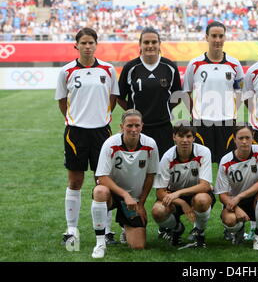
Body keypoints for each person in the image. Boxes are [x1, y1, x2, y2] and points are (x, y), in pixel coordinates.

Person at [55, 27, 119, 249]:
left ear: (96, 44)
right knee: (75, 180)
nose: (87, 46)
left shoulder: (108, 70)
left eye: (91, 42)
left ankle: (108, 229)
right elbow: (62, 101)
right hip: (76, 133)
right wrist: (76, 119)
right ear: (77, 45)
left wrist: (101, 115)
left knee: (102, 181)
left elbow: (113, 97)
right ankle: (71, 229)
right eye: (83, 43)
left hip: (102, 132)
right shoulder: (67, 71)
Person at [90, 109, 159, 258]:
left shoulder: (150, 145)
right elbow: (101, 177)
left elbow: (150, 175)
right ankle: (100, 243)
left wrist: (140, 204)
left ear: (142, 126)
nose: (133, 130)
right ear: (122, 127)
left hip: (133, 201)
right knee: (100, 191)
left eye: (137, 125)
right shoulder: (110, 144)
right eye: (129, 126)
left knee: (138, 246)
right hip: (113, 194)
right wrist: (124, 194)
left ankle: (124, 226)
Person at [183, 21, 244, 163]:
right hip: (202, 123)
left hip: (227, 122)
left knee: (228, 162)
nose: (217, 40)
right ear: (206, 37)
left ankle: (225, 187)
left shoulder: (234, 64)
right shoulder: (195, 64)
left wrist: (235, 114)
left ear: (225, 38)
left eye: (221, 36)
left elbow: (240, 92)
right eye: (214, 36)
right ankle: (204, 186)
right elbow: (186, 92)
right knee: (201, 163)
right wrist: (195, 114)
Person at [118, 27, 181, 157]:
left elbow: (177, 96)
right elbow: (120, 97)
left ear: (159, 44)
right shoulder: (130, 68)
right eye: (146, 42)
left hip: (163, 127)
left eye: (154, 42)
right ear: (140, 45)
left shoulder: (170, 67)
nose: (150, 46)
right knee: (137, 168)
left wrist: (165, 110)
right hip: (137, 128)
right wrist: (132, 111)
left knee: (163, 169)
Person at [151, 124, 215, 248]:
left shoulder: (203, 152)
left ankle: (199, 232)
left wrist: (179, 192)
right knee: (157, 211)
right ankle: (176, 228)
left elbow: (205, 186)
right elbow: (159, 192)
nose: (185, 140)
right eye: (181, 136)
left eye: (188, 136)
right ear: (174, 137)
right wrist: (182, 203)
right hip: (174, 198)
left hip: (196, 194)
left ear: (194, 138)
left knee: (202, 199)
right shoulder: (167, 158)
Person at [215, 125, 258, 251]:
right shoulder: (225, 160)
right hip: (233, 201)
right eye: (241, 138)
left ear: (253, 136)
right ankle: (236, 230)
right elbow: (222, 194)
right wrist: (236, 207)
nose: (244, 141)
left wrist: (240, 197)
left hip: (254, 198)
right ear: (234, 139)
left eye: (247, 137)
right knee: (230, 220)